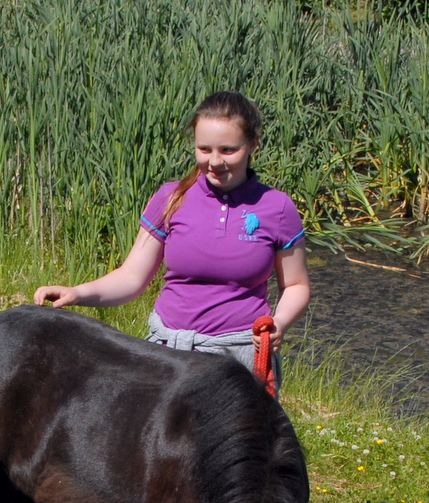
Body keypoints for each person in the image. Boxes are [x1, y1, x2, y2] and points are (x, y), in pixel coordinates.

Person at [32, 91, 310, 391]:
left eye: (228, 150)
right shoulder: (171, 197)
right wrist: (76, 293)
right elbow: (131, 277)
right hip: (168, 355)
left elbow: (296, 285)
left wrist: (279, 323)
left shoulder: (277, 207)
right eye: (204, 149)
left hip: (238, 358)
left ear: (253, 144)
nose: (214, 162)